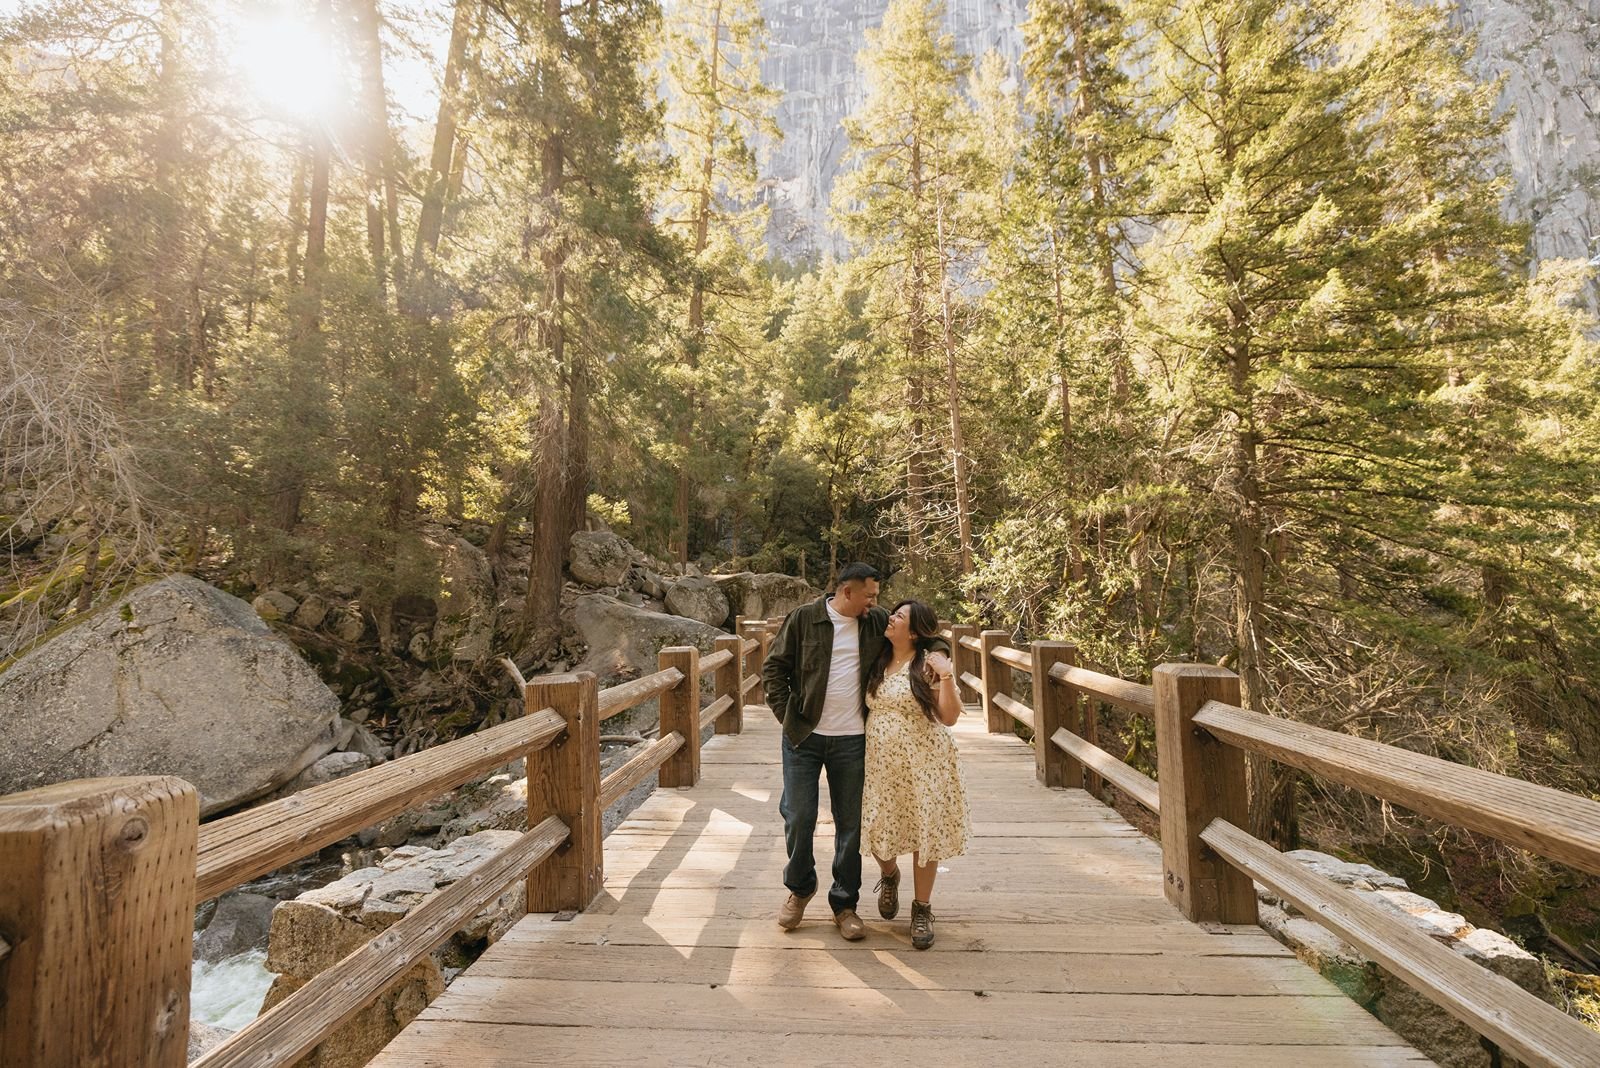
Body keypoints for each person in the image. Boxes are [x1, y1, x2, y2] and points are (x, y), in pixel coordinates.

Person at [761, 563, 949, 941]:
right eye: (870, 595)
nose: (875, 603)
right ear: (847, 592)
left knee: (850, 825)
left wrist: (939, 656)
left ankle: (844, 904)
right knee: (798, 816)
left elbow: (927, 636)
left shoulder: (874, 620)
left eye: (877, 598)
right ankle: (800, 890)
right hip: (804, 738)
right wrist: (789, 718)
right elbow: (773, 670)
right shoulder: (804, 619)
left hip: (853, 740)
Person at [860, 599, 970, 950]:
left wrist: (948, 674)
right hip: (881, 765)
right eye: (893, 613)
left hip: (925, 763)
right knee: (876, 826)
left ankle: (922, 909)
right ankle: (889, 874)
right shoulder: (878, 658)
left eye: (900, 616)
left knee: (925, 833)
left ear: (915, 631)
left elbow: (949, 717)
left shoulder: (927, 664)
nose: (891, 618)